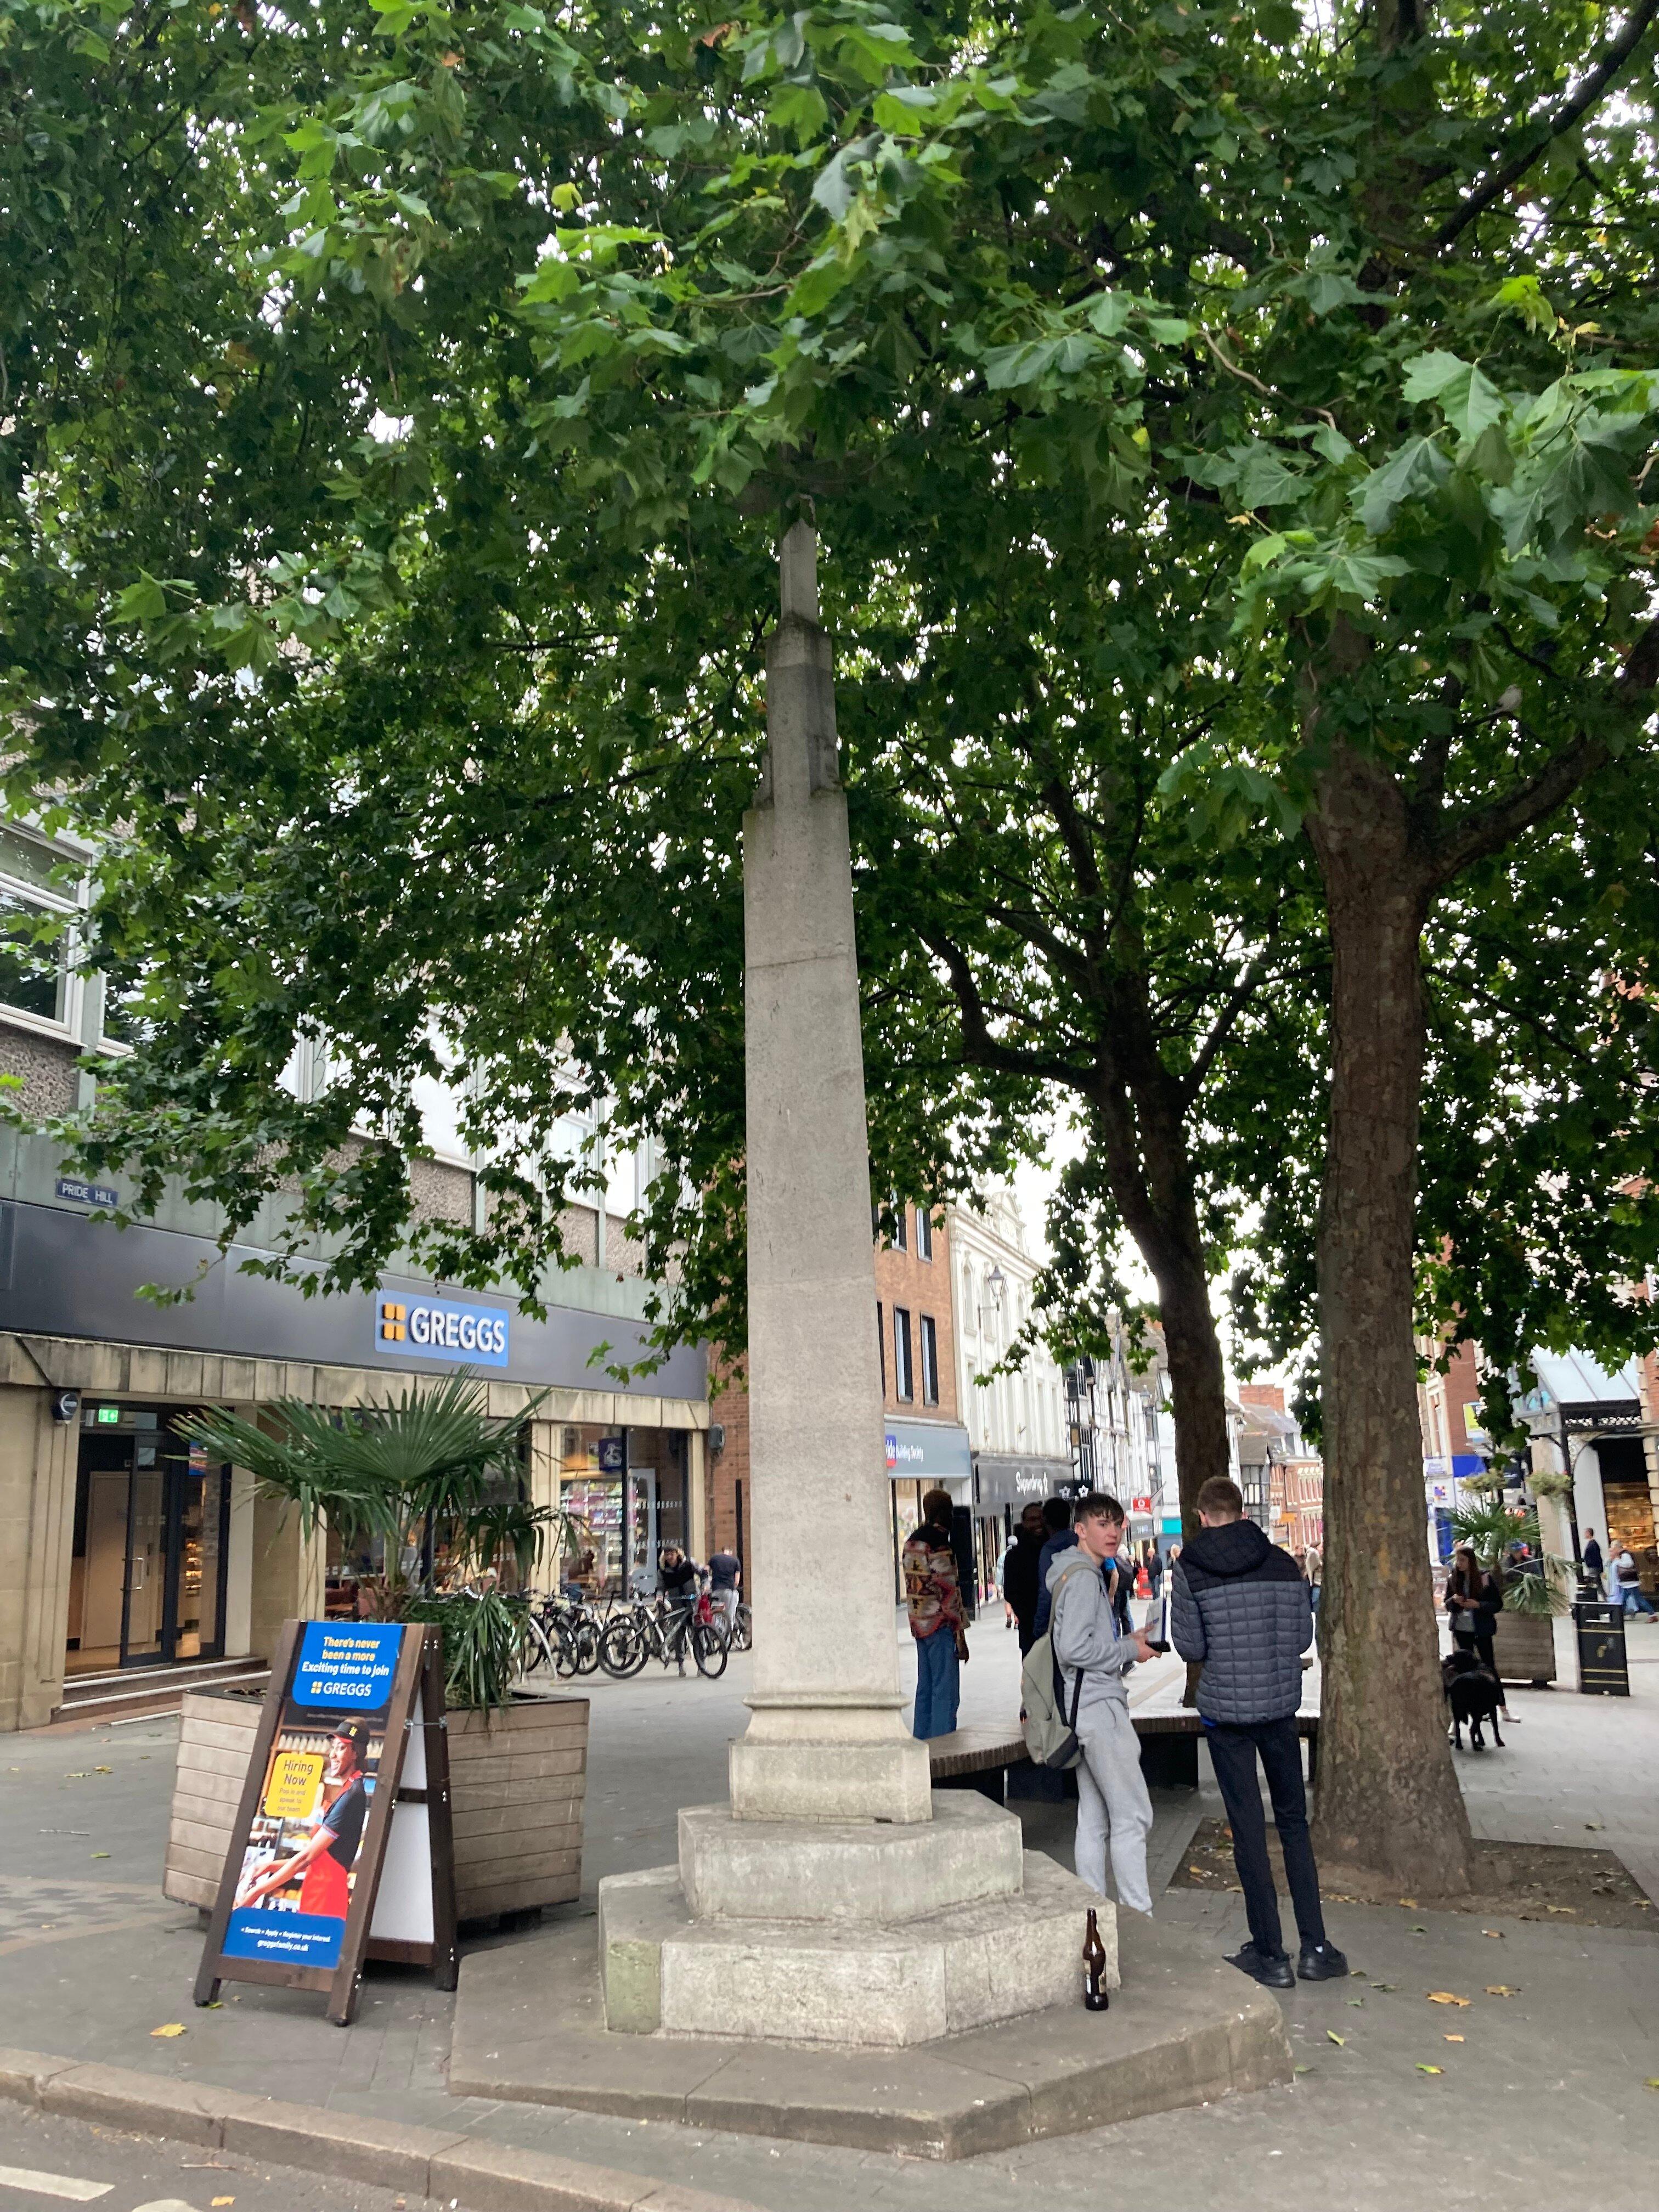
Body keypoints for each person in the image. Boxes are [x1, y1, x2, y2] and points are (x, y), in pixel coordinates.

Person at [1170, 1475, 1348, 1989]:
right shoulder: (1282, 1562)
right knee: (1293, 1823)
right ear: (1242, 1511)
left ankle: (1270, 1953)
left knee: (1247, 1830)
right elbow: (1300, 1638)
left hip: (1226, 1715)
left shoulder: (1190, 1568)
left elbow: (1191, 1648)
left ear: (1203, 1515)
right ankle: (1316, 1947)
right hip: (1278, 1710)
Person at [1048, 1492, 1159, 1917]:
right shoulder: (1082, 1578)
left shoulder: (1076, 1573)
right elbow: (1074, 1649)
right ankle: (1138, 1917)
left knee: (1094, 1821)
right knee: (1132, 1815)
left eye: (1117, 1524)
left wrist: (1129, 1641)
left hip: (1083, 1708)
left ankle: (1093, 1915)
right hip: (1099, 1707)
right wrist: (1129, 1650)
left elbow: (1080, 1644)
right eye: (1101, 1524)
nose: (1113, 1532)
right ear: (1080, 1530)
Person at [236, 1720, 372, 1920]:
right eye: (333, 1747)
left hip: (326, 1897)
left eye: (341, 1748)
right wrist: (268, 1867)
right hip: (318, 1890)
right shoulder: (348, 1791)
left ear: (356, 1754)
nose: (332, 1755)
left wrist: (257, 1892)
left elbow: (307, 1858)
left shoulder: (352, 1796)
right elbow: (317, 1859)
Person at [904, 1487, 968, 1737]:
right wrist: (960, 1635)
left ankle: (922, 1741)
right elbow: (948, 1592)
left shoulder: (912, 1542)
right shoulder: (939, 1544)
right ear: (942, 1513)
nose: (952, 1517)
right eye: (949, 1511)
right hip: (940, 1626)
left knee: (926, 1689)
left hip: (919, 1625)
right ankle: (943, 1747)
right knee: (945, 1693)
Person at [1444, 1545, 1517, 1720]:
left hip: (1481, 1630)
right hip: (1462, 1629)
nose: (1459, 1564)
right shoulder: (1453, 1578)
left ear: (1471, 1561)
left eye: (1463, 1560)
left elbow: (1497, 1604)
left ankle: (1503, 1709)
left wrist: (1478, 1605)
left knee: (1489, 1667)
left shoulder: (1484, 1578)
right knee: (1466, 1671)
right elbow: (1447, 1604)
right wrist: (1454, 1601)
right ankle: (1475, 1709)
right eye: (1458, 1560)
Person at [1000, 1501, 1048, 1654]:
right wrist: (1028, 1617)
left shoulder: (1054, 1550)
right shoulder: (1014, 1557)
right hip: (1029, 1630)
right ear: (1024, 1523)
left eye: (1041, 1518)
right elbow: (1010, 1593)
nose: (1038, 1523)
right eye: (1033, 1519)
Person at [1031, 1495, 1079, 1639]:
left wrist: (1040, 1628)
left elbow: (1046, 1592)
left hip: (1061, 1623)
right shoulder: (1081, 1543)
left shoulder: (1049, 1550)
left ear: (1045, 1520)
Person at [1612, 1543, 1657, 1618]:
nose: (1614, 1551)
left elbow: (1629, 1564)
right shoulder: (1623, 1555)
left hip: (1630, 1582)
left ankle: (1652, 1614)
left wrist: (1618, 1561)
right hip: (1627, 1583)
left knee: (1638, 1600)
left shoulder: (1625, 1555)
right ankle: (1619, 1616)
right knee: (1624, 1600)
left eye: (1614, 1549)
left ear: (1617, 1548)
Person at [707, 1543, 742, 1636]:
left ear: (722, 1551)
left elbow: (706, 1570)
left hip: (716, 1591)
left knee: (716, 1614)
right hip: (729, 1592)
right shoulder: (735, 1561)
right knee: (729, 1616)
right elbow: (737, 1581)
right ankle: (729, 1638)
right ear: (731, 1552)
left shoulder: (714, 1558)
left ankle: (718, 1634)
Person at [1581, 1527, 1605, 1598]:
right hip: (1593, 1567)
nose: (1585, 1534)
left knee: (1593, 1584)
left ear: (1589, 1533)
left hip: (1593, 1567)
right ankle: (1605, 1599)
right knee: (1598, 1585)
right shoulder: (1592, 1544)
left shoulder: (1593, 1544)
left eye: (1586, 1533)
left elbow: (1597, 1557)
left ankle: (1598, 1598)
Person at [1304, 1543, 1323, 1616]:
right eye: (1321, 1547)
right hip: (1317, 1586)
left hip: (1318, 1586)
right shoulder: (1314, 1556)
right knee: (1317, 1610)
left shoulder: (1319, 1557)